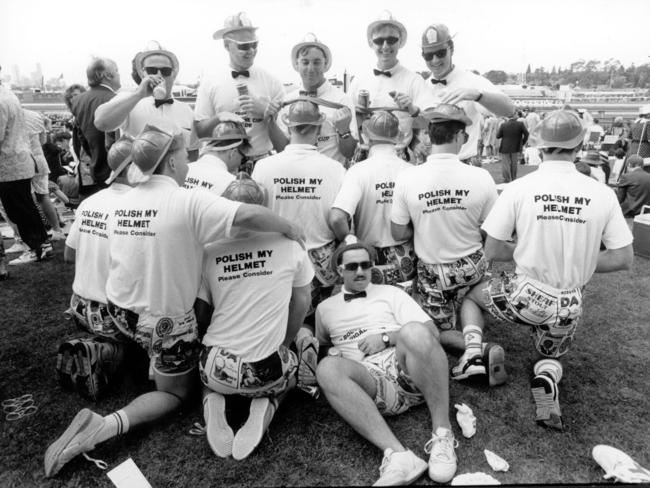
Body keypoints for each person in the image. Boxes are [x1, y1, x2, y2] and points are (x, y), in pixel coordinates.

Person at [43, 124, 305, 478]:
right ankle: (104, 426)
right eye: (184, 157)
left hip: (118, 314)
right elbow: (247, 214)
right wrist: (291, 229)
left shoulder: (123, 200)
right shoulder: (185, 199)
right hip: (162, 324)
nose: (188, 163)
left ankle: (118, 357)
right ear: (169, 162)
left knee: (152, 344)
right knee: (176, 394)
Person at [457, 109, 633, 431]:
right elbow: (623, 257)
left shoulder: (519, 188)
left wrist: (525, 251)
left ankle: (471, 352)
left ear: (539, 146)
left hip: (525, 293)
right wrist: (578, 265)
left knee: (471, 295)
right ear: (579, 146)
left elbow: (493, 250)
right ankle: (546, 376)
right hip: (569, 302)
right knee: (548, 351)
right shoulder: (603, 194)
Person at [315, 242, 457, 485]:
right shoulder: (324, 309)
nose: (360, 271)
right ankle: (399, 456)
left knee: (413, 331)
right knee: (326, 367)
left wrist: (385, 338)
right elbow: (324, 344)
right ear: (340, 271)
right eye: (352, 266)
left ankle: (442, 434)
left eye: (365, 265)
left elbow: (430, 332)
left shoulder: (391, 293)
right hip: (370, 382)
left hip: (410, 369)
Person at [196, 174, 313, 460]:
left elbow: (201, 310)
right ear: (265, 207)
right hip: (268, 371)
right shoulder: (290, 245)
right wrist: (284, 341)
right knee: (293, 370)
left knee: (207, 372)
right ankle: (267, 405)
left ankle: (212, 399)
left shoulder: (209, 250)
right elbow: (302, 303)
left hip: (215, 367)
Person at [391, 104, 505, 384]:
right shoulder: (481, 177)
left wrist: (424, 222)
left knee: (435, 330)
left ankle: (474, 351)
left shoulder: (407, 177)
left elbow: (397, 232)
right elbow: (494, 229)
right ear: (460, 137)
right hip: (472, 264)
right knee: (471, 301)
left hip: (434, 271)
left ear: (430, 136)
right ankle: (477, 344)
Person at [252, 100, 345, 391]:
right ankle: (307, 337)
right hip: (322, 256)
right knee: (313, 309)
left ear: (288, 128)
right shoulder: (335, 168)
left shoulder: (264, 166)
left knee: (280, 310)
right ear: (318, 129)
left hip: (279, 252)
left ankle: (288, 344)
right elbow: (338, 216)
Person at [57, 136, 135, 401]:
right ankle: (102, 351)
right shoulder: (136, 207)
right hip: (110, 314)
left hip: (79, 305)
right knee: (160, 345)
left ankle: (92, 341)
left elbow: (69, 255)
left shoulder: (91, 202)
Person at [329, 110, 415, 286]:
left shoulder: (358, 171)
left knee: (369, 310)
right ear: (398, 137)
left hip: (369, 257)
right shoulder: (411, 171)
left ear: (366, 136)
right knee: (400, 308)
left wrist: (350, 241)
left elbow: (337, 217)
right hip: (405, 256)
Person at [194, 12, 285, 166]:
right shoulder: (210, 82)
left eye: (254, 44)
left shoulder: (272, 82)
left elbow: (284, 146)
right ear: (226, 45)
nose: (250, 50)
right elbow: (200, 132)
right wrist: (219, 117)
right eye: (243, 46)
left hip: (262, 162)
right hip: (223, 163)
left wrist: (266, 113)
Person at [417, 23, 515, 166]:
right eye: (428, 55)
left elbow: (509, 109)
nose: (435, 60)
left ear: (451, 48)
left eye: (440, 53)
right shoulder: (421, 86)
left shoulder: (472, 81)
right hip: (428, 167)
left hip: (464, 164)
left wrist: (478, 95)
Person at [95, 41, 199, 162]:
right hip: (137, 178)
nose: (159, 75)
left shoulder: (186, 111)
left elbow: (192, 152)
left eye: (165, 71)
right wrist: (139, 94)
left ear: (173, 75)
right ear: (142, 73)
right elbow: (101, 122)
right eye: (152, 70)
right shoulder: (129, 100)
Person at [347, 11, 431, 161]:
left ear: (400, 42)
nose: (385, 46)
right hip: (364, 155)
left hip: (398, 156)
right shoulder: (358, 81)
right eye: (379, 40)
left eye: (391, 39)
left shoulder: (414, 80)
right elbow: (348, 125)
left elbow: (431, 120)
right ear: (371, 43)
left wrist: (413, 110)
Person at [277, 33, 357, 166]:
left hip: (331, 180)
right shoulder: (287, 101)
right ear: (297, 64)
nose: (311, 68)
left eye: (317, 62)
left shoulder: (342, 101)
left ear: (325, 64)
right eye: (305, 62)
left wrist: (344, 131)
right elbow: (282, 149)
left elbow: (350, 153)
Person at [0, 85, 50, 265]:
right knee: (24, 206)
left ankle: (36, 248)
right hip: (18, 159)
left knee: (19, 209)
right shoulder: (8, 95)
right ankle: (41, 245)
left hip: (10, 163)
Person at [71, 57, 120, 196]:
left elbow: (81, 138)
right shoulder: (116, 99)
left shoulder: (78, 100)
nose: (119, 75)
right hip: (116, 170)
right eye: (117, 71)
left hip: (96, 167)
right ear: (107, 75)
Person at [23, 109, 66, 240]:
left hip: (21, 161)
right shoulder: (35, 115)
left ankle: (36, 235)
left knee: (26, 199)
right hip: (39, 160)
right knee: (43, 197)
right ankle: (57, 230)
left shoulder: (10, 115)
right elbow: (42, 141)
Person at [183, 121, 249, 196]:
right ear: (233, 153)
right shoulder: (232, 185)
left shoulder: (183, 171)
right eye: (243, 159)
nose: (240, 165)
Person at [497, 112, 529, 182]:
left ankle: (507, 179)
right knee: (514, 164)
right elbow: (526, 134)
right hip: (516, 146)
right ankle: (514, 178)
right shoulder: (520, 124)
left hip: (505, 147)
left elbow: (498, 136)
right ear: (514, 115)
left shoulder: (503, 124)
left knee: (506, 164)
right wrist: (522, 142)